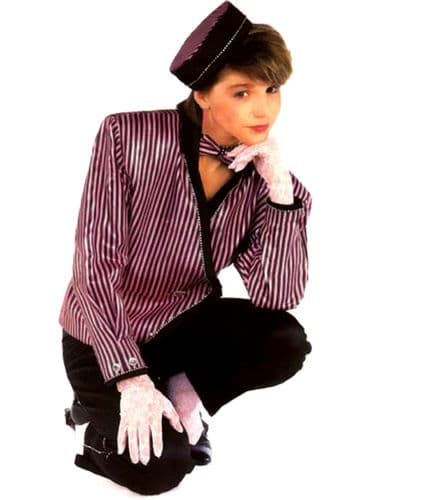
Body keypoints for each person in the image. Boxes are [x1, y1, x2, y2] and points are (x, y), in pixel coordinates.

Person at [59, 1, 313, 495]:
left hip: (184, 324)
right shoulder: (127, 137)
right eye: (242, 92)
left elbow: (277, 296)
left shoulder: (268, 179)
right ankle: (88, 422)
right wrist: (132, 379)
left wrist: (281, 192)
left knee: (285, 341)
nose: (264, 109)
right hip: (103, 335)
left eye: (272, 90)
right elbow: (95, 265)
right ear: (202, 94)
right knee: (161, 469)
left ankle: (181, 391)